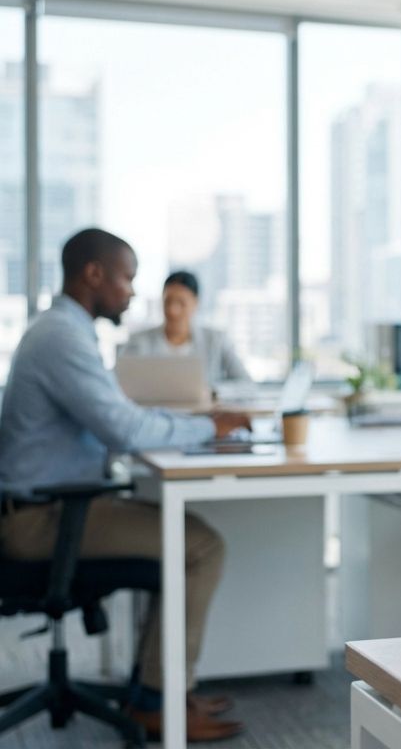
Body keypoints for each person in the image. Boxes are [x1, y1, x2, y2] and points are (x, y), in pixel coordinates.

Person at [0, 228, 250, 741]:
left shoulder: (65, 331)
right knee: (200, 545)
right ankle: (159, 703)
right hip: (43, 520)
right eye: (127, 278)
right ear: (94, 275)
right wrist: (209, 426)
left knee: (185, 535)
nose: (133, 292)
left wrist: (188, 420)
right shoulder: (61, 338)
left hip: (48, 506)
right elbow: (126, 429)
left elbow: (120, 414)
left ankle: (156, 692)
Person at [119, 270, 250, 387]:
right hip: (153, 412)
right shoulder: (137, 341)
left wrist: (213, 392)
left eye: (181, 303)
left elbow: (246, 384)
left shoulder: (216, 340)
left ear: (196, 303)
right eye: (167, 301)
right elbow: (120, 384)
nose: (172, 310)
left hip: (204, 413)